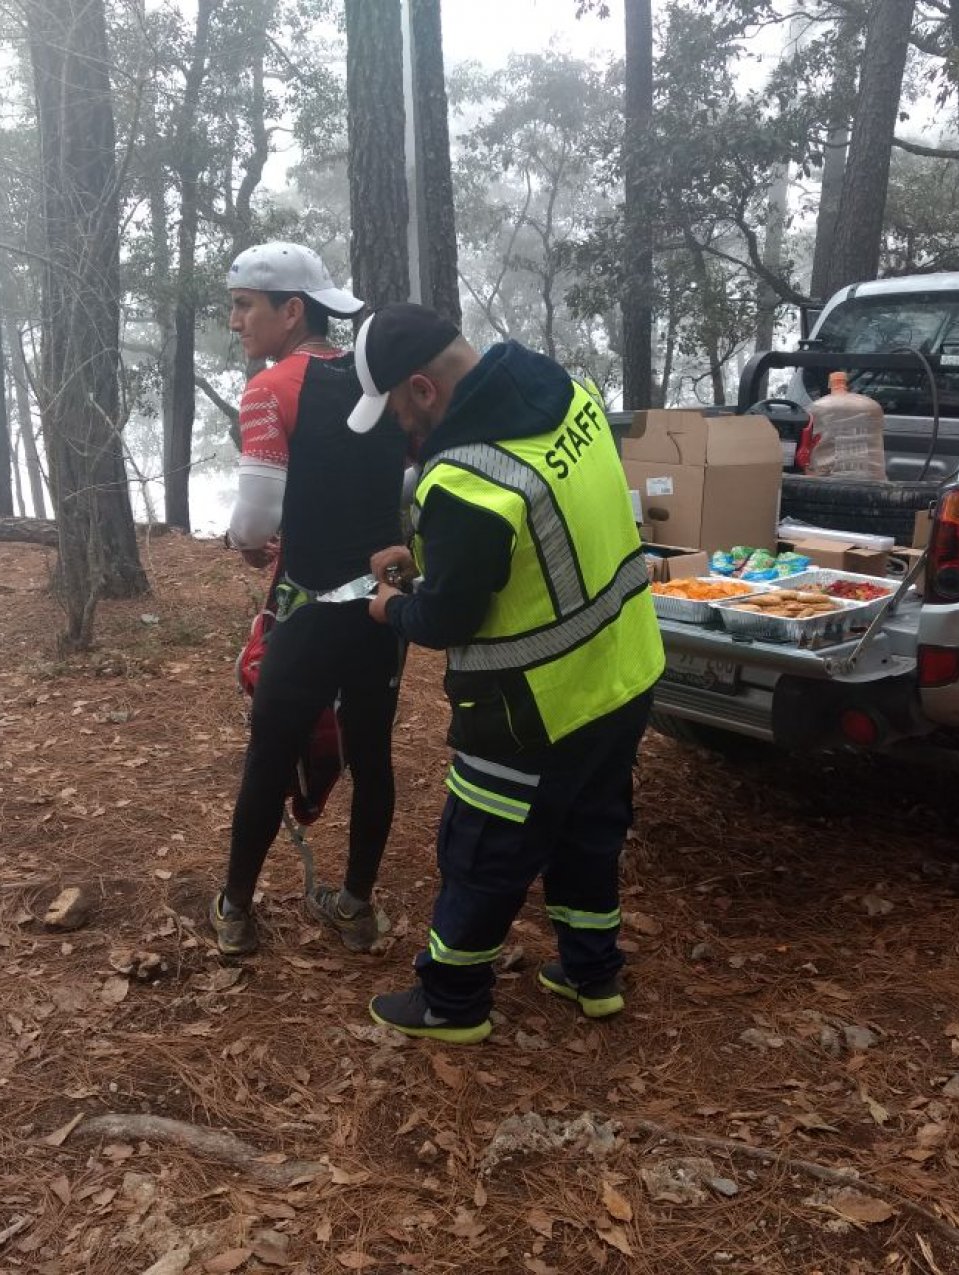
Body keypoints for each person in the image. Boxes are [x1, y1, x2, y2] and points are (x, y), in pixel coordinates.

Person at [349, 303, 664, 1043]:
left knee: (483, 848)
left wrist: (392, 606)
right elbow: (541, 539)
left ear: (422, 389)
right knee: (591, 827)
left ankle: (452, 999)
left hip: (530, 707)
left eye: (396, 410)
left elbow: (447, 621)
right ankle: (593, 973)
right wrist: (429, 561)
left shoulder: (464, 480)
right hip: (623, 674)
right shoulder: (567, 393)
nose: (400, 430)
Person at [211, 243, 408, 956]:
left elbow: (257, 520)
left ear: (291, 311)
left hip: (312, 603)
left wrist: (245, 540)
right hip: (387, 604)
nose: (235, 320)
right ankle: (355, 906)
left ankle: (234, 910)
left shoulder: (270, 388)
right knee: (373, 754)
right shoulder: (376, 379)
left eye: (244, 304)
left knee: (270, 754)